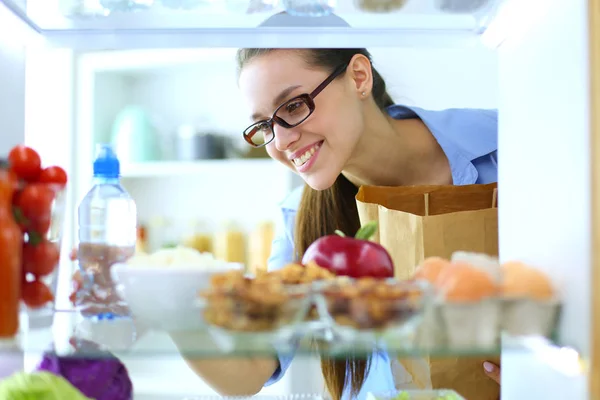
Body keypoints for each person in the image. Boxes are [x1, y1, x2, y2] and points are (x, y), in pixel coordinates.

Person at [71, 47, 501, 399]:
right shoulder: (300, 217)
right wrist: (170, 304)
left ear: (358, 77)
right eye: (263, 125)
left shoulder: (508, 144)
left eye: (293, 106)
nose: (281, 141)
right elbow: (252, 370)